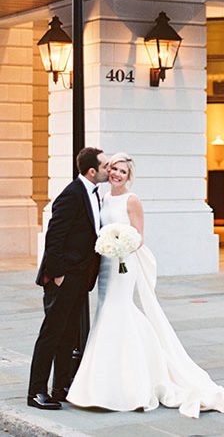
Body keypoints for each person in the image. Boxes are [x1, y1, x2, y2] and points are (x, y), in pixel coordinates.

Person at [67, 152, 224, 418]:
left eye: (123, 171)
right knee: (107, 312)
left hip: (124, 265)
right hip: (106, 266)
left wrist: (121, 245)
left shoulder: (132, 200)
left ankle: (128, 386)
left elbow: (139, 237)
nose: (117, 174)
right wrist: (107, 245)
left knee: (118, 311)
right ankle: (106, 381)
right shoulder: (104, 198)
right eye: (114, 169)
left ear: (129, 177)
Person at [27, 147, 108, 410]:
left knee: (68, 334)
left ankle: (60, 387)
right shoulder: (72, 194)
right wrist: (58, 274)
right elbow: (55, 236)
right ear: (92, 170)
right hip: (63, 277)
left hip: (80, 277)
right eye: (105, 165)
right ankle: (36, 391)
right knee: (51, 333)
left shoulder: (95, 195)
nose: (108, 169)